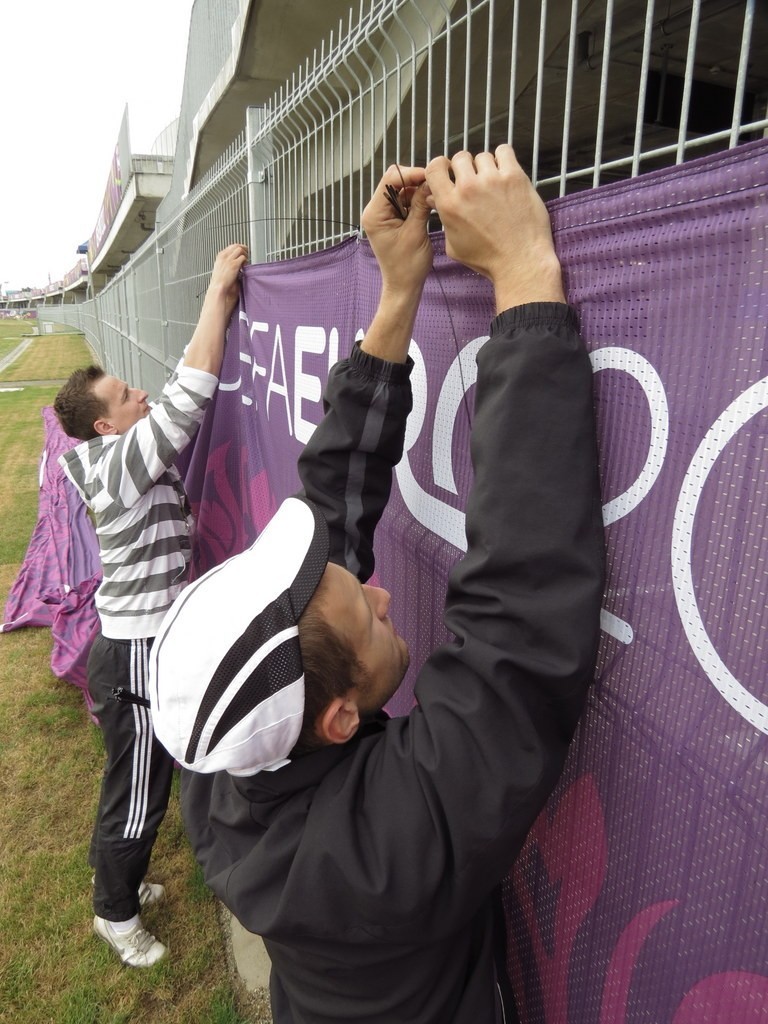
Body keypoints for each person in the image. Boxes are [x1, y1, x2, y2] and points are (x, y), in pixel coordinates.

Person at [150, 147, 605, 1021]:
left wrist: (397, 293)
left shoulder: (223, 758)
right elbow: (517, 634)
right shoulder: (382, 852)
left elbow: (329, 511)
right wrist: (523, 274)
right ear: (338, 718)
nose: (384, 592)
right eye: (367, 611)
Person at [53, 243, 248, 968]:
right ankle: (114, 912)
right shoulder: (119, 462)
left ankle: (120, 885)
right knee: (137, 792)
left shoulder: (119, 454)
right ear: (106, 427)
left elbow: (169, 401)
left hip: (142, 642)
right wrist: (218, 292)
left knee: (143, 781)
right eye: (128, 395)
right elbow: (188, 395)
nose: (144, 395)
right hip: (133, 653)